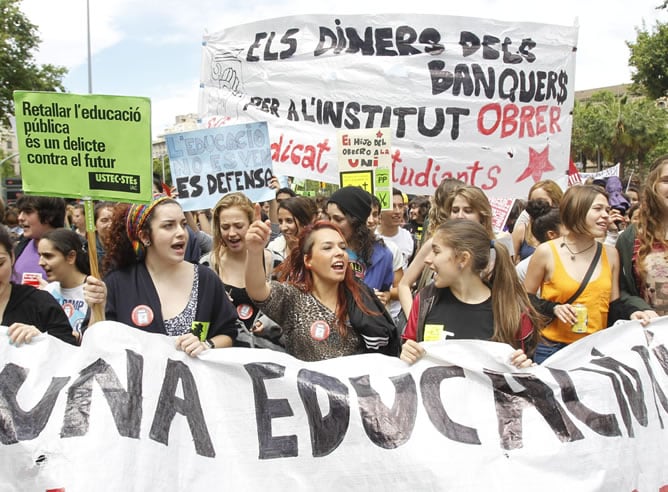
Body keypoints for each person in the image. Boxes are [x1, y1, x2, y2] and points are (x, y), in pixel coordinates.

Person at [83, 196, 238, 356]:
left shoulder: (206, 278)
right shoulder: (116, 283)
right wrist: (97, 309)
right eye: (168, 226)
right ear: (144, 236)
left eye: (183, 225)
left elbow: (228, 332)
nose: (181, 233)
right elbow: (94, 346)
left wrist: (206, 345)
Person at [524, 184, 654, 364]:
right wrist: (554, 308)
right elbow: (524, 298)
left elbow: (614, 304)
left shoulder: (610, 254)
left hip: (594, 350)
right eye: (598, 209)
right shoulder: (546, 251)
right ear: (577, 210)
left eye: (607, 210)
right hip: (552, 349)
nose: (606, 216)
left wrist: (633, 312)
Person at [245, 215, 399, 361]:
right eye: (327, 248)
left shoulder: (362, 297)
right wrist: (254, 252)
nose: (339, 253)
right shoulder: (293, 297)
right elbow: (257, 290)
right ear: (308, 260)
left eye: (342, 247)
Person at [400, 220, 539, 368]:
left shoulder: (512, 310)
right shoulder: (426, 300)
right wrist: (407, 353)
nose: (427, 260)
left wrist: (525, 367)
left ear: (463, 259)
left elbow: (525, 377)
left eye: (436, 251)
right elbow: (409, 352)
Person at [398, 185, 499, 317]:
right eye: (455, 210)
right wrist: (416, 322)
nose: (460, 216)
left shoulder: (495, 249)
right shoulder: (433, 243)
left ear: (482, 216)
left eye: (468, 211)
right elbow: (404, 285)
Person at [200, 192, 278, 348]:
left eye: (238, 226)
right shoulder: (207, 265)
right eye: (225, 227)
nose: (232, 233)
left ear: (251, 223)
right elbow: (199, 318)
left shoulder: (275, 262)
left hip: (271, 359)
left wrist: (268, 323)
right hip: (224, 361)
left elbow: (290, 312)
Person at [0, 227, 76, 346]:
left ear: (12, 257)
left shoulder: (40, 304)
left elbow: (70, 352)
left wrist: (42, 338)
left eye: (0, 263)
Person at [617, 154, 668, 317]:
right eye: (666, 181)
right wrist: (639, 307)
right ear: (653, 186)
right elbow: (619, 289)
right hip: (654, 334)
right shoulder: (630, 237)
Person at [326, 186, 394, 294]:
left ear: (356, 221)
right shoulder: (321, 251)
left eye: (338, 219)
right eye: (329, 218)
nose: (331, 224)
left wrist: (382, 298)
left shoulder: (383, 255)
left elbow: (385, 289)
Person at [38, 228, 91, 340]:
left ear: (71, 256)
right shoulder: (48, 291)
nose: (41, 263)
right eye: (40, 256)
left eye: (48, 256)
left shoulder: (93, 291)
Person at [13, 195, 66, 284]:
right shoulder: (20, 246)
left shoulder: (72, 249)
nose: (20, 218)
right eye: (20, 212)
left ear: (49, 216)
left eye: (28, 212)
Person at [511, 180, 563, 263]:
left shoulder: (566, 231)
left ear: (556, 202)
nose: (536, 206)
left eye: (541, 201)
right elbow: (508, 264)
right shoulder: (522, 230)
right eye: (532, 202)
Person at [267, 196, 318, 267]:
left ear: (304, 222)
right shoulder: (273, 247)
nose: (283, 228)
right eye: (280, 221)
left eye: (289, 221)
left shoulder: (318, 249)